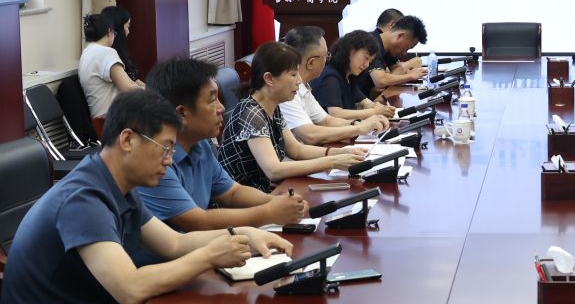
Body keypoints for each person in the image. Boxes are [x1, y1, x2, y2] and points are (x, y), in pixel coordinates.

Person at [0, 89, 293, 304]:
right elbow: (131, 289)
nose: (169, 161)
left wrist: (245, 234)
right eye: (165, 148)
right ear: (128, 140)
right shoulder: (83, 199)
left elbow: (175, 243)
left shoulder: (116, 185)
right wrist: (209, 256)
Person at [136, 57, 313, 231]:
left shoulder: (200, 144)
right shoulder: (155, 161)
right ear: (182, 113)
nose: (221, 108)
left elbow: (232, 192)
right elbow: (197, 221)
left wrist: (278, 202)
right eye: (212, 100)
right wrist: (270, 212)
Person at [220, 41, 363, 190]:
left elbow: (296, 150)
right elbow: (273, 170)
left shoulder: (272, 106)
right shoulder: (252, 113)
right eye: (293, 74)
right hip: (247, 199)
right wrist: (332, 162)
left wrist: (340, 152)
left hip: (267, 192)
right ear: (269, 79)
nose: (299, 81)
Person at [276, 26, 392, 146]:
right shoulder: (286, 91)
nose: (327, 60)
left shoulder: (304, 87)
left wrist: (359, 124)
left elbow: (327, 121)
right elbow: (310, 136)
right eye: (325, 56)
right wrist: (360, 127)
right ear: (311, 62)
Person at [78, 12, 141, 119]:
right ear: (109, 32)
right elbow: (128, 89)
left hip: (101, 120)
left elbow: (129, 83)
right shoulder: (106, 53)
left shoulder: (86, 53)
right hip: (115, 119)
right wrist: (154, 92)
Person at [314, 29, 390, 117]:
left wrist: (379, 107)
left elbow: (364, 102)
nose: (366, 65)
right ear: (350, 50)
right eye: (366, 58)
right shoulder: (330, 76)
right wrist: (375, 111)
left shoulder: (349, 75)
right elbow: (336, 113)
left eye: (370, 61)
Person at [369, 14, 428, 91]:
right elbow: (381, 81)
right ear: (400, 36)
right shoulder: (371, 43)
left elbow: (399, 70)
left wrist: (387, 80)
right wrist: (411, 76)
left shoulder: (390, 49)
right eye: (406, 48)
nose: (404, 53)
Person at [100, 4, 139, 80]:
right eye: (127, 26)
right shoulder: (110, 57)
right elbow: (128, 85)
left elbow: (134, 81)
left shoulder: (115, 53)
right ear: (117, 28)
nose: (128, 32)